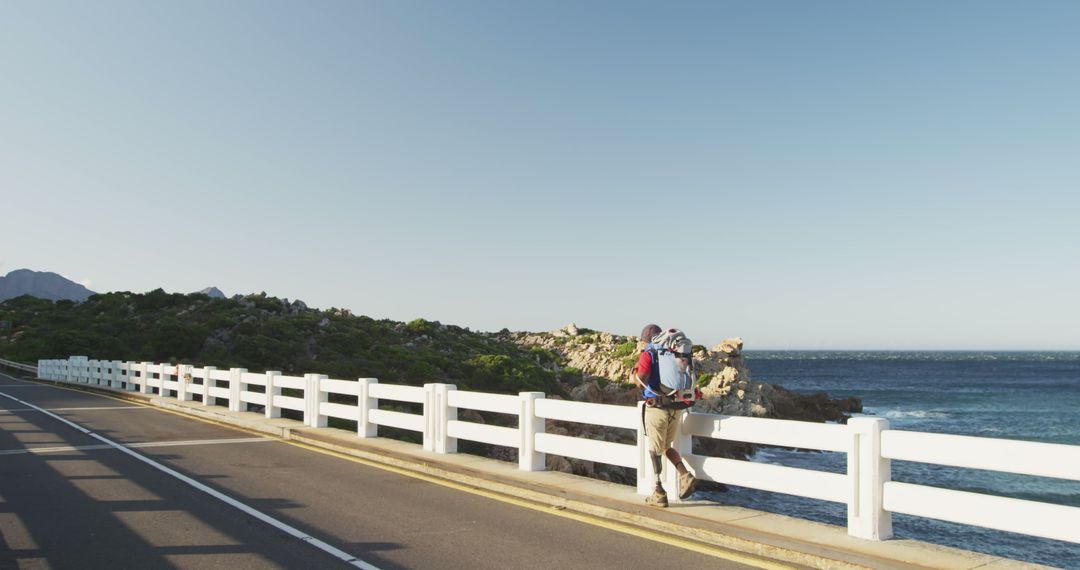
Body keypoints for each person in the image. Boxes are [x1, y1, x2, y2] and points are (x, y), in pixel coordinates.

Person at [631, 323, 697, 507]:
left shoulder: (649, 353)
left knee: (654, 450)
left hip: (657, 408)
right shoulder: (674, 352)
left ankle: (658, 492)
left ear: (646, 339)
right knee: (666, 446)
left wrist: (634, 374)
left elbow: (640, 382)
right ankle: (685, 475)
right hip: (675, 407)